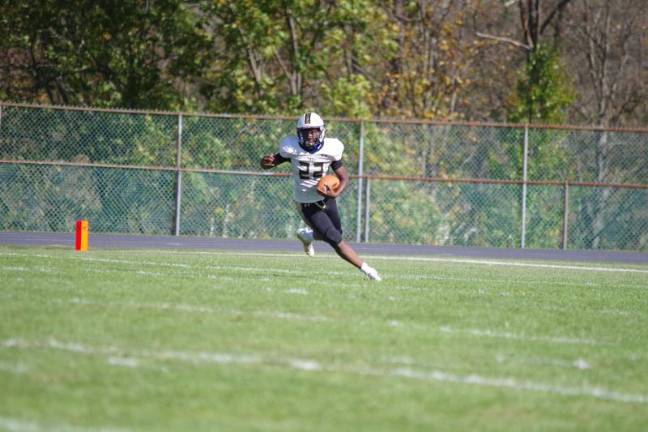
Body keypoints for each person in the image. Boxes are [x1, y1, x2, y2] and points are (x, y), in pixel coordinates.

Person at [260, 112, 382, 281]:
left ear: (321, 131)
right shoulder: (291, 148)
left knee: (335, 233)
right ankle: (368, 270)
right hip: (306, 202)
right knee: (334, 237)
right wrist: (265, 162)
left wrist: (336, 192)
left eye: (314, 131)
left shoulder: (330, 148)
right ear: (299, 133)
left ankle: (308, 235)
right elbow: (269, 163)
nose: (310, 135)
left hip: (326, 197)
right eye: (306, 131)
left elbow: (344, 176)